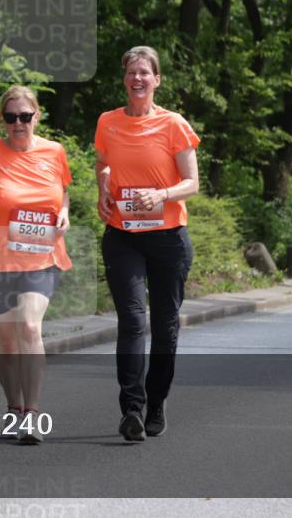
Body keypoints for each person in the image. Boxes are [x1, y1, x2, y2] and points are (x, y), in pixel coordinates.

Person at [95, 46, 199, 442]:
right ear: (125, 79)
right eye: (131, 73)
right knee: (134, 320)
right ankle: (132, 410)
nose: (137, 79)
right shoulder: (107, 122)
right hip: (123, 236)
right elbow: (103, 162)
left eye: (145, 73)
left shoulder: (174, 124)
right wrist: (103, 187)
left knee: (165, 326)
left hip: (168, 238)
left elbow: (193, 182)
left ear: (157, 80)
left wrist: (162, 194)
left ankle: (156, 402)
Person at [0, 86, 72, 444]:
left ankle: (33, 414)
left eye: (25, 116)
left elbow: (62, 191)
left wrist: (65, 212)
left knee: (29, 327)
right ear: (2, 121)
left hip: (40, 255)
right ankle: (13, 408)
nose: (18, 123)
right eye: (11, 117)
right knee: (6, 342)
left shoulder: (54, 152)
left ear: (37, 116)